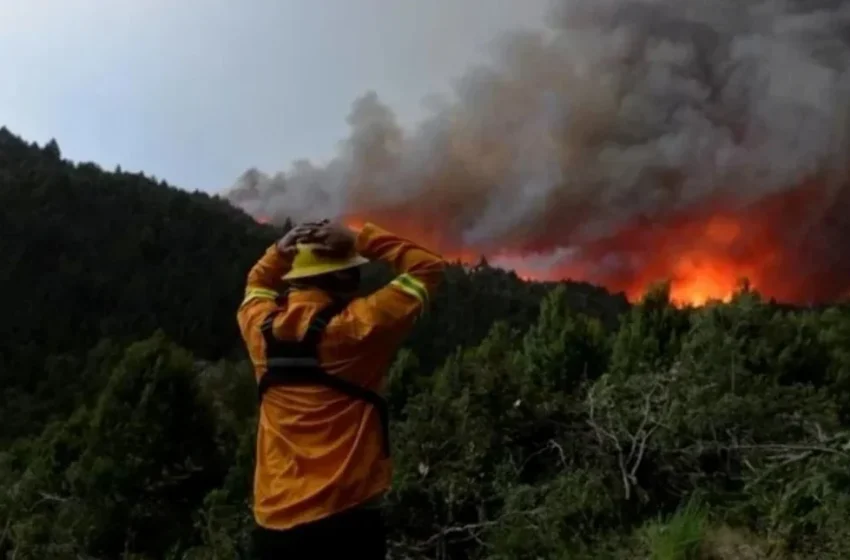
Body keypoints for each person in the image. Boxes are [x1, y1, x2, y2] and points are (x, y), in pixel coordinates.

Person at [236, 219, 445, 559]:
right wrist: (360, 238)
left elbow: (256, 286)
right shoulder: (358, 326)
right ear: (345, 278)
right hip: (347, 518)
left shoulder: (258, 328)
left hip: (273, 523)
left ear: (296, 279)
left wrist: (278, 251)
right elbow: (428, 267)